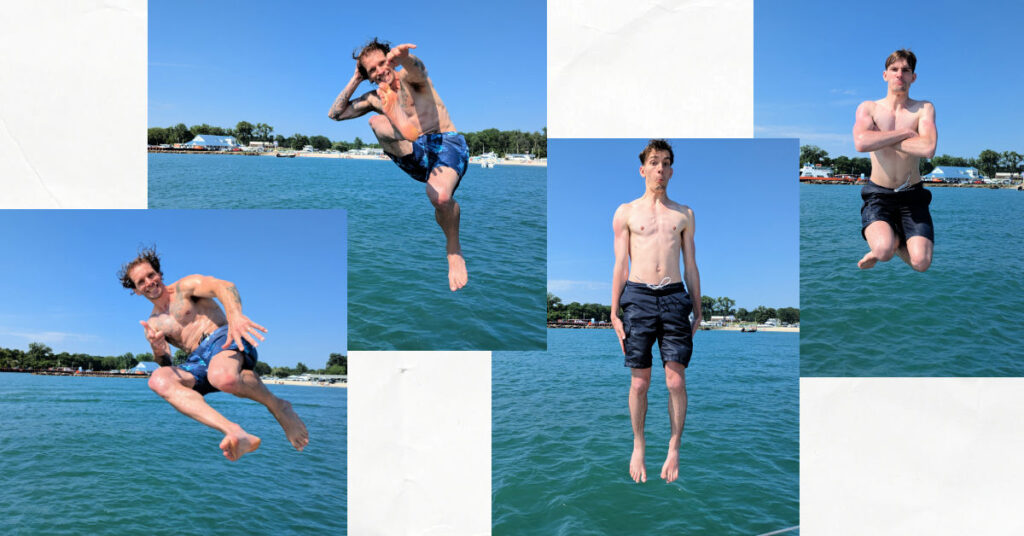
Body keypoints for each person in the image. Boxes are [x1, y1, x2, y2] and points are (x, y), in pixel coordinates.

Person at [118, 247, 309, 461]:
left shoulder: (184, 288)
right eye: (141, 282)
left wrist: (235, 317)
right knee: (158, 380)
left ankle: (279, 406)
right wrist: (157, 348)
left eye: (151, 275)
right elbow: (166, 364)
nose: (149, 282)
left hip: (223, 336)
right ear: (136, 290)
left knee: (222, 377)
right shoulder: (153, 323)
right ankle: (234, 431)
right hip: (197, 360)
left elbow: (224, 286)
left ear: (159, 274)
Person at [328, 38, 469, 291]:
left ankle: (453, 250)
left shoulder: (410, 77)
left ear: (390, 59)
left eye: (383, 62)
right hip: (412, 150)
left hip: (445, 144)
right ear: (368, 75)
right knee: (375, 123)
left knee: (441, 199)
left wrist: (403, 57)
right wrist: (356, 79)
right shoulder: (374, 96)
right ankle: (402, 126)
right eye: (372, 70)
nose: (380, 70)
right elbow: (335, 114)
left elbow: (419, 69)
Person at [610, 140, 702, 484]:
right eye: (654, 162)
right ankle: (638, 443)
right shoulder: (626, 212)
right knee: (639, 383)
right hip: (637, 296)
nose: (660, 169)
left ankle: (674, 445)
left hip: (675, 295)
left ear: (671, 171)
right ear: (643, 169)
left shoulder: (684, 214)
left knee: (675, 380)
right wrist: (613, 310)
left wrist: (698, 305)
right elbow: (620, 263)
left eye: (665, 163)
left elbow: (691, 264)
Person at [853, 49, 937, 271]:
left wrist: (880, 138)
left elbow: (927, 147)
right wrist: (904, 133)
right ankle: (888, 245)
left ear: (913, 77)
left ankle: (894, 241)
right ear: (885, 75)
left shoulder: (923, 108)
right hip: (879, 194)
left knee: (921, 263)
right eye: (894, 69)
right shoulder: (868, 107)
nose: (900, 74)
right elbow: (861, 142)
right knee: (883, 251)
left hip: (913, 195)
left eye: (906, 70)